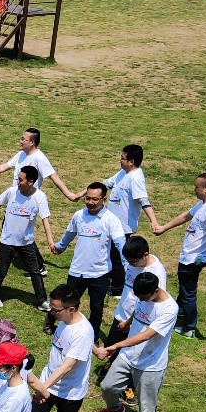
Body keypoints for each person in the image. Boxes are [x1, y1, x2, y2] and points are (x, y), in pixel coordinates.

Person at [92, 272, 179, 412]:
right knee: (107, 386)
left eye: (143, 297)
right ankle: (115, 408)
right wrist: (128, 323)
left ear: (155, 290)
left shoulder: (169, 309)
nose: (141, 300)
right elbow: (138, 309)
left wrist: (116, 345)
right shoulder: (144, 296)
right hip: (128, 356)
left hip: (150, 363)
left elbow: (146, 335)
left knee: (146, 403)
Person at [28, 283, 95, 412]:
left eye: (56, 310)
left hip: (69, 391)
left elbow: (67, 367)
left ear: (71, 309)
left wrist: (42, 388)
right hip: (50, 379)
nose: (52, 312)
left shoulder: (82, 332)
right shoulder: (65, 319)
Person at [152, 171, 206, 338]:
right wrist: (164, 228)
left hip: (194, 259)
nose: (194, 189)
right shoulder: (204, 203)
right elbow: (186, 216)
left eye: (196, 187)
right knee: (185, 286)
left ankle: (188, 327)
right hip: (189, 256)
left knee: (188, 292)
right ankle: (180, 310)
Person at [80, 145, 159, 296]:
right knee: (110, 254)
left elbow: (143, 200)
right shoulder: (124, 173)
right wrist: (81, 193)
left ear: (131, 161)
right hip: (111, 223)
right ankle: (112, 280)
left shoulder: (135, 178)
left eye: (122, 158)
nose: (120, 160)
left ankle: (117, 289)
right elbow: (105, 184)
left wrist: (153, 221)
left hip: (123, 227)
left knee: (118, 258)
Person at [0, 164, 55, 310]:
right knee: (1, 271)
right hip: (7, 241)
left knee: (35, 272)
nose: (18, 182)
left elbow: (45, 220)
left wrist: (50, 241)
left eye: (21, 180)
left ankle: (42, 301)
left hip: (26, 242)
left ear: (31, 182)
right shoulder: (11, 192)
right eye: (18, 179)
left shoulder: (40, 197)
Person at [53, 182, 126, 341]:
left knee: (96, 308)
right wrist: (61, 246)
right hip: (77, 271)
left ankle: (92, 338)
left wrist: (127, 264)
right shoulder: (78, 215)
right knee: (67, 303)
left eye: (95, 199)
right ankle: (63, 331)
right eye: (88, 198)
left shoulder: (111, 220)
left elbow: (120, 243)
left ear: (104, 199)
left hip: (100, 274)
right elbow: (70, 233)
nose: (90, 202)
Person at [0, 127, 79, 202]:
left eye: (23, 139)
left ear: (32, 142)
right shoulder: (21, 155)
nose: (20, 141)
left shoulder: (39, 158)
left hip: (28, 202)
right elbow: (3, 167)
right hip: (14, 199)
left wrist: (68, 194)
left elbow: (54, 177)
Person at [103, 235, 168, 356]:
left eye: (133, 262)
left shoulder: (156, 273)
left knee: (128, 354)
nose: (130, 265)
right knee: (110, 349)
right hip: (121, 314)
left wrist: (129, 322)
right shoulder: (132, 263)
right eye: (128, 261)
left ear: (145, 255)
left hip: (138, 321)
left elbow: (153, 301)